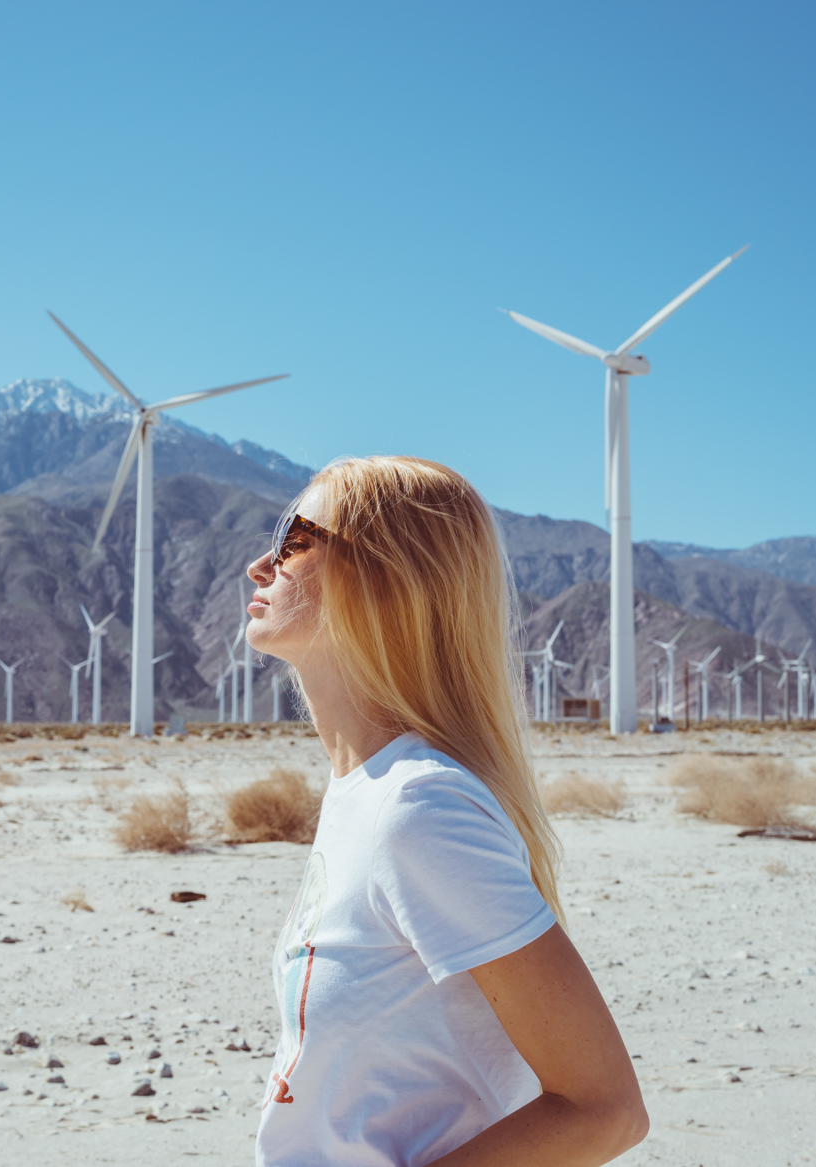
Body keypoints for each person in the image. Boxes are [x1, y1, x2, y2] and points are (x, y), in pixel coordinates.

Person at [244, 455, 648, 1167]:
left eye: (296, 537)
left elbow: (604, 1108)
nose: (261, 563)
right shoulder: (362, 792)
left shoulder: (417, 806)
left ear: (383, 576)